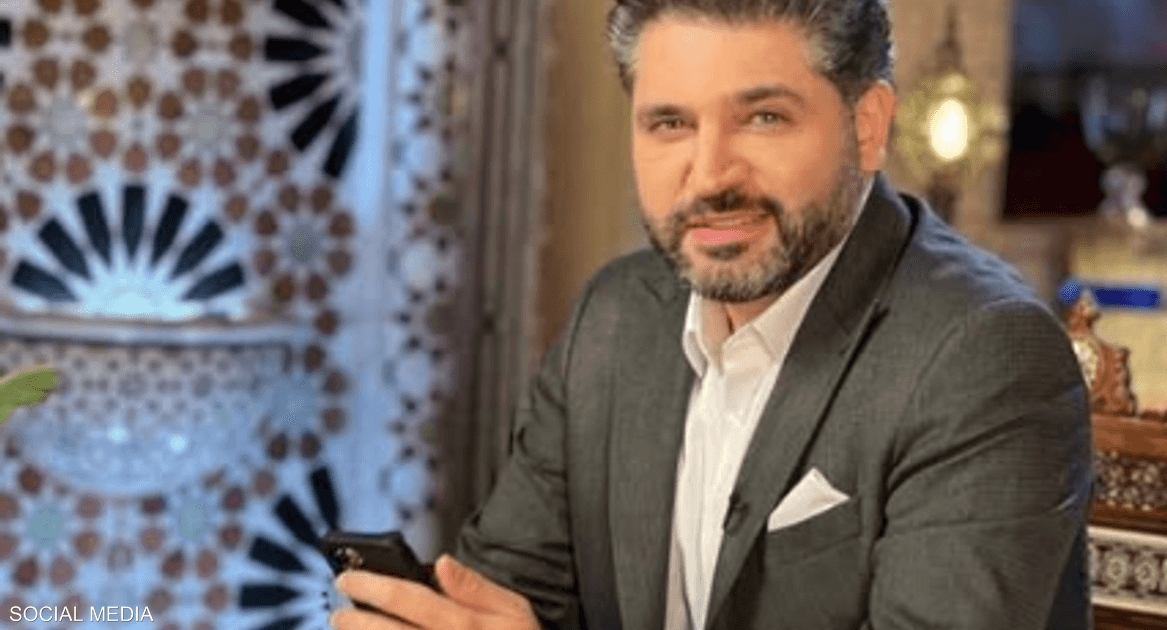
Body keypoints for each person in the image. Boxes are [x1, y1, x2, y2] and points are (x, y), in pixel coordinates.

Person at [330, 1, 1094, 628]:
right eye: (670, 124)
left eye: (763, 118)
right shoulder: (615, 319)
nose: (709, 175)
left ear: (867, 126)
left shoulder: (984, 353)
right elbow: (507, 594)